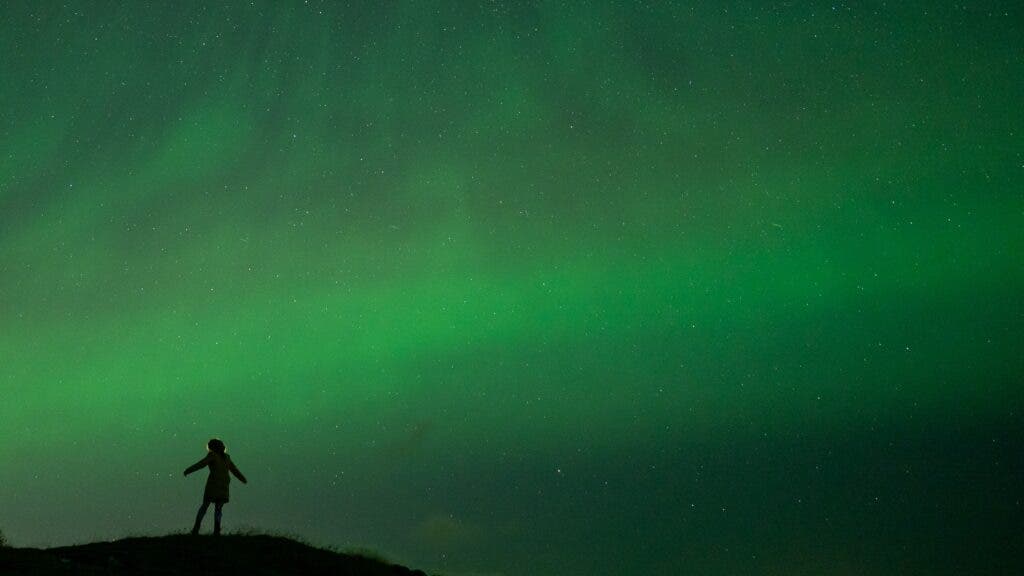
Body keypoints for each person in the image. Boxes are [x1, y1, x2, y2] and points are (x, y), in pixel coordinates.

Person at [184, 438, 247, 535]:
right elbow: (234, 470)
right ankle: (216, 531)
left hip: (214, 484)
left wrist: (188, 470)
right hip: (223, 484)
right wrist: (242, 479)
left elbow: (202, 464)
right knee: (218, 508)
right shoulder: (225, 457)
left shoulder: (215, 456)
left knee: (205, 506)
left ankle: (197, 529)